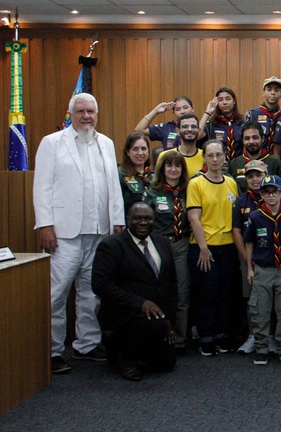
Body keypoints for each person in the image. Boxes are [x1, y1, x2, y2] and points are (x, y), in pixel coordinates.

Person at [33, 93, 124, 374]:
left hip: (98, 232)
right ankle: (52, 351)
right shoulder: (52, 143)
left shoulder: (105, 143)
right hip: (63, 234)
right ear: (71, 113)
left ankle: (86, 344)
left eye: (91, 111)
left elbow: (113, 185)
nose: (86, 116)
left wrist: (117, 221)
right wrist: (44, 225)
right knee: (56, 294)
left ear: (97, 114)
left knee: (90, 293)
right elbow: (42, 186)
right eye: (81, 111)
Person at [92, 203, 177, 381]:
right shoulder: (111, 245)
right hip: (124, 313)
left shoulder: (162, 242)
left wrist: (169, 319)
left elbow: (170, 284)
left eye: (148, 218)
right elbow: (100, 285)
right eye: (137, 218)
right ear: (127, 220)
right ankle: (124, 354)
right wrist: (140, 303)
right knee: (153, 326)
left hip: (157, 316)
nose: (143, 222)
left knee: (166, 364)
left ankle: (138, 350)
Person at [187, 139, 240, 356]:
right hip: (204, 249)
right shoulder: (196, 184)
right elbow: (194, 218)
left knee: (225, 294)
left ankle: (221, 335)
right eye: (211, 155)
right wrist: (203, 248)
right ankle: (206, 338)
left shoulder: (231, 183)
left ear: (225, 157)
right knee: (206, 294)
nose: (215, 159)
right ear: (204, 158)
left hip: (228, 247)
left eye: (219, 155)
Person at [244, 175, 281, 366]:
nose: (271, 196)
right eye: (267, 192)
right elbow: (249, 242)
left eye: (275, 192)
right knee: (261, 310)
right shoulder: (256, 217)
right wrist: (250, 269)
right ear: (261, 194)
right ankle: (262, 347)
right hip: (263, 269)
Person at [143, 151, 191, 355]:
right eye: (169, 165)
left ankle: (179, 339)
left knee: (182, 294)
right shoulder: (152, 193)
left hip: (181, 246)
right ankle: (157, 335)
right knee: (158, 293)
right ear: (162, 169)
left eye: (177, 166)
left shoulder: (189, 191)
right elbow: (142, 222)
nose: (173, 169)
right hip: (159, 246)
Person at [231, 160, 269, 354]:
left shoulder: (274, 197)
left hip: (271, 258)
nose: (255, 179)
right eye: (250, 175)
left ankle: (271, 337)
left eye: (259, 175)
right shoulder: (241, 201)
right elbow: (236, 231)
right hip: (248, 257)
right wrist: (247, 259)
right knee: (252, 298)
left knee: (274, 297)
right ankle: (253, 336)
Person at [228, 121, 281, 195]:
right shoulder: (234, 164)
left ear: (262, 139)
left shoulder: (275, 163)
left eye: (255, 137)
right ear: (242, 141)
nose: (251, 141)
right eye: (247, 138)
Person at [201, 87, 246, 161]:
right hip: (218, 165)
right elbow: (198, 135)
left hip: (238, 165)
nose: (224, 102)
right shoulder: (212, 123)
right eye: (220, 100)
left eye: (228, 99)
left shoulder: (243, 122)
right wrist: (208, 112)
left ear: (234, 101)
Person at [245, 76, 281, 154]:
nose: (273, 93)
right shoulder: (252, 114)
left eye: (276, 90)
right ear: (263, 92)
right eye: (269, 89)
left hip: (279, 159)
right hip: (258, 158)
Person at [118, 131, 153, 217]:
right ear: (127, 152)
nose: (140, 153)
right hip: (129, 224)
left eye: (143, 149)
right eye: (135, 149)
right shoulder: (120, 174)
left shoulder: (154, 176)